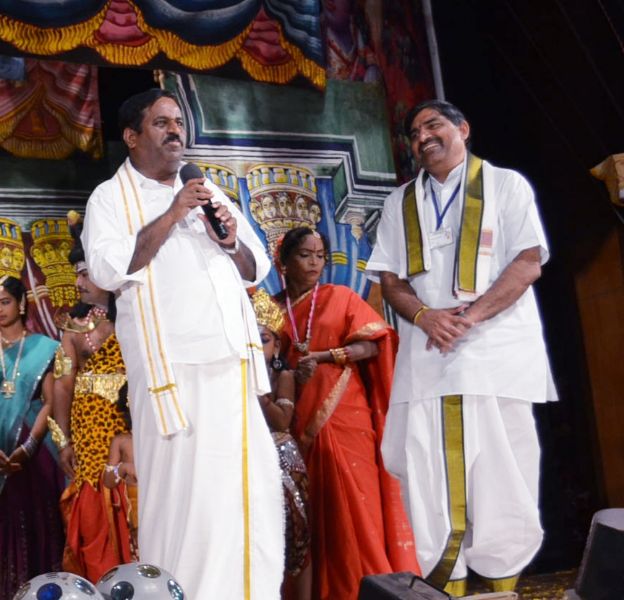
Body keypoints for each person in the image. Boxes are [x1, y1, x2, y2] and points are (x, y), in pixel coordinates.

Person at [81, 88, 283, 599]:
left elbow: (255, 268)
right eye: (161, 122)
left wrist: (230, 242)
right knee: (185, 497)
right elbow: (107, 269)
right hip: (171, 373)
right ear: (131, 137)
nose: (176, 131)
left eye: (178, 121)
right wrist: (173, 213)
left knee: (243, 491)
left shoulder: (208, 191)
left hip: (231, 365)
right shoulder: (109, 198)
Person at [366, 99, 558, 595]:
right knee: (428, 479)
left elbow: (527, 263)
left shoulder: (506, 185)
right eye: (414, 133)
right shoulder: (399, 203)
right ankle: (445, 591)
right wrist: (427, 317)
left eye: (433, 125)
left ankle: (502, 591)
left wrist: (468, 318)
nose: (422, 138)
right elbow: (390, 280)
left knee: (503, 478)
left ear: (463, 129)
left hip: (495, 357)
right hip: (428, 363)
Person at [274, 227, 419, 600]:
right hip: (292, 419)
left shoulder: (340, 296)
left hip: (344, 415)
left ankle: (367, 590)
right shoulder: (270, 309)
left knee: (354, 506)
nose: (314, 263)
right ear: (284, 263)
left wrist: (326, 356)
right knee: (308, 514)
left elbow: (374, 345)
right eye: (305, 255)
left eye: (320, 256)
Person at [51, 225, 133, 582]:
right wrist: (63, 441)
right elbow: (62, 386)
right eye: (77, 274)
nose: (79, 283)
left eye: (85, 274)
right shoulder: (73, 329)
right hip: (87, 435)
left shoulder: (134, 317)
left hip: (129, 426)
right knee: (93, 511)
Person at [0, 275, 65, 598]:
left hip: (34, 448)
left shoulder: (45, 347)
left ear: (21, 303)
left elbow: (50, 402)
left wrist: (27, 448)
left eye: (5, 302)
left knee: (37, 520)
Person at [251, 288, 312, 600]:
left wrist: (258, 392)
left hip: (281, 462)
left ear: (276, 346)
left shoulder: (283, 377)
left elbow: (282, 422)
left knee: (295, 541)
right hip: (248, 460)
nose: (256, 346)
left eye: (263, 339)